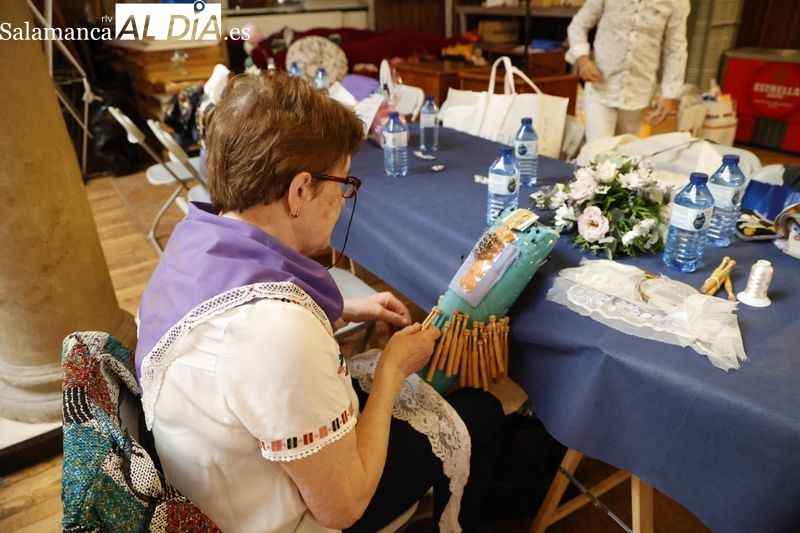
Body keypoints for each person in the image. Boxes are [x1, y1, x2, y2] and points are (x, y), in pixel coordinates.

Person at [134, 72, 504, 532]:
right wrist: (392, 369)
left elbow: (233, 306)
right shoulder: (277, 332)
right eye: (344, 183)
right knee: (481, 412)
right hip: (277, 517)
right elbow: (343, 507)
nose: (344, 199)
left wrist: (348, 308)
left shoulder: (194, 241)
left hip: (221, 476)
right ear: (300, 191)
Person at [566, 0, 691, 142]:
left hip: (639, 92)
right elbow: (578, 25)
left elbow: (676, 48)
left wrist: (669, 94)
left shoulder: (677, 2)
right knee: (597, 152)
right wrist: (583, 60)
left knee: (625, 154)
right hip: (601, 85)